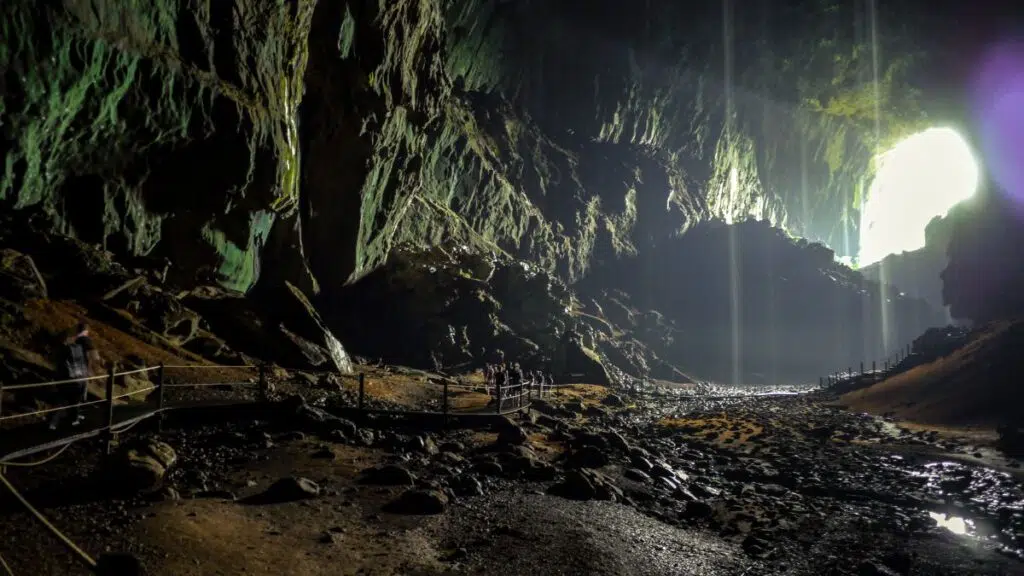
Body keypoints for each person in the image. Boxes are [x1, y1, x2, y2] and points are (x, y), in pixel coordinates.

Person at [48, 322, 101, 430]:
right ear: (86, 331)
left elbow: (57, 359)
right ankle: (72, 420)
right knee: (75, 398)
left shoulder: (69, 341)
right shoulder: (86, 341)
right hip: (79, 375)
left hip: (66, 375)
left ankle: (54, 422)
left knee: (63, 398)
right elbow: (96, 358)